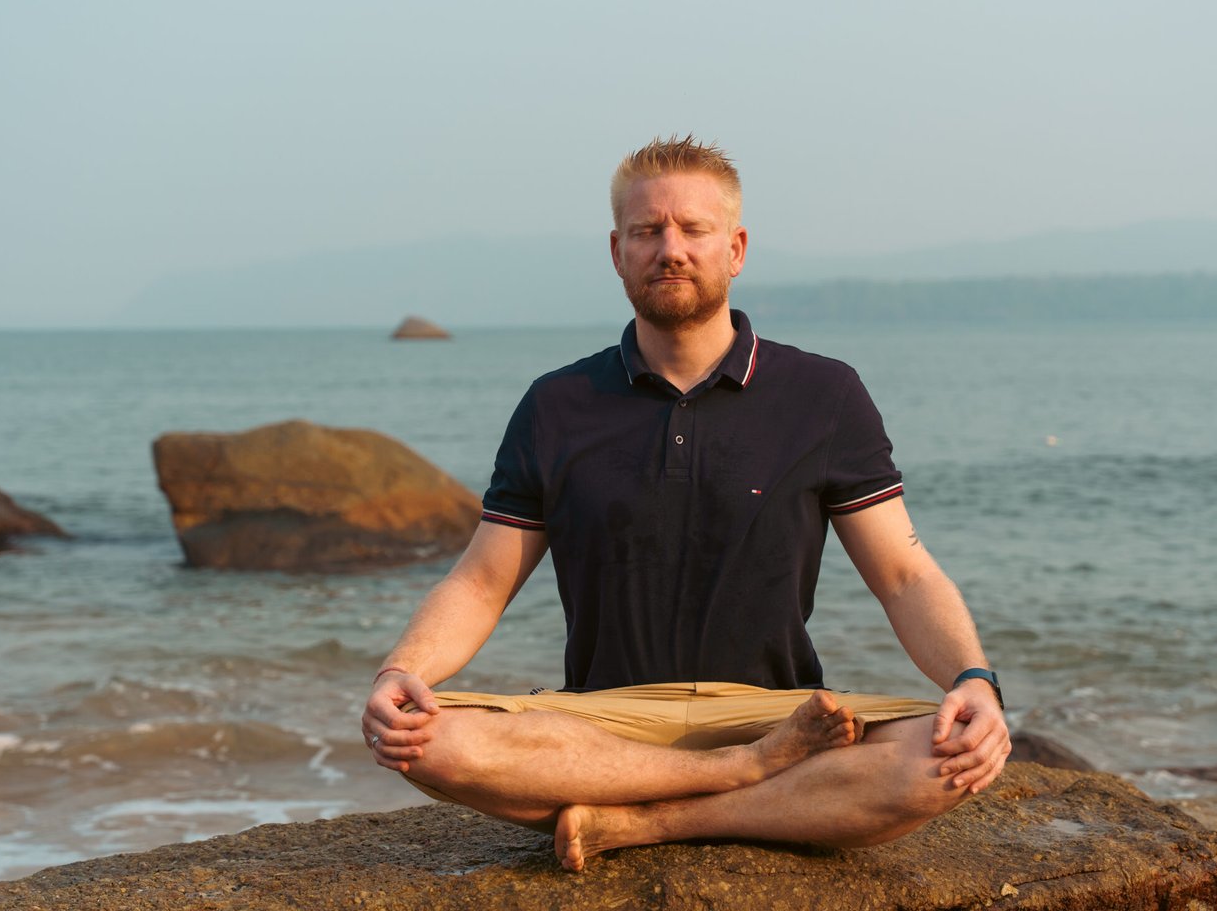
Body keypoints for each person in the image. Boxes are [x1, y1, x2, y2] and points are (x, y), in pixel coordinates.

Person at [360, 136, 1009, 871]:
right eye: (647, 231)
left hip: (777, 709)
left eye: (693, 229)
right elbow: (481, 580)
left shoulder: (822, 395)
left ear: (735, 248)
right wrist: (398, 673)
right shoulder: (558, 404)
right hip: (603, 724)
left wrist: (972, 680)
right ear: (617, 251)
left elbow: (904, 574)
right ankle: (741, 778)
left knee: (947, 755)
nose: (670, 248)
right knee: (425, 738)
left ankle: (645, 822)